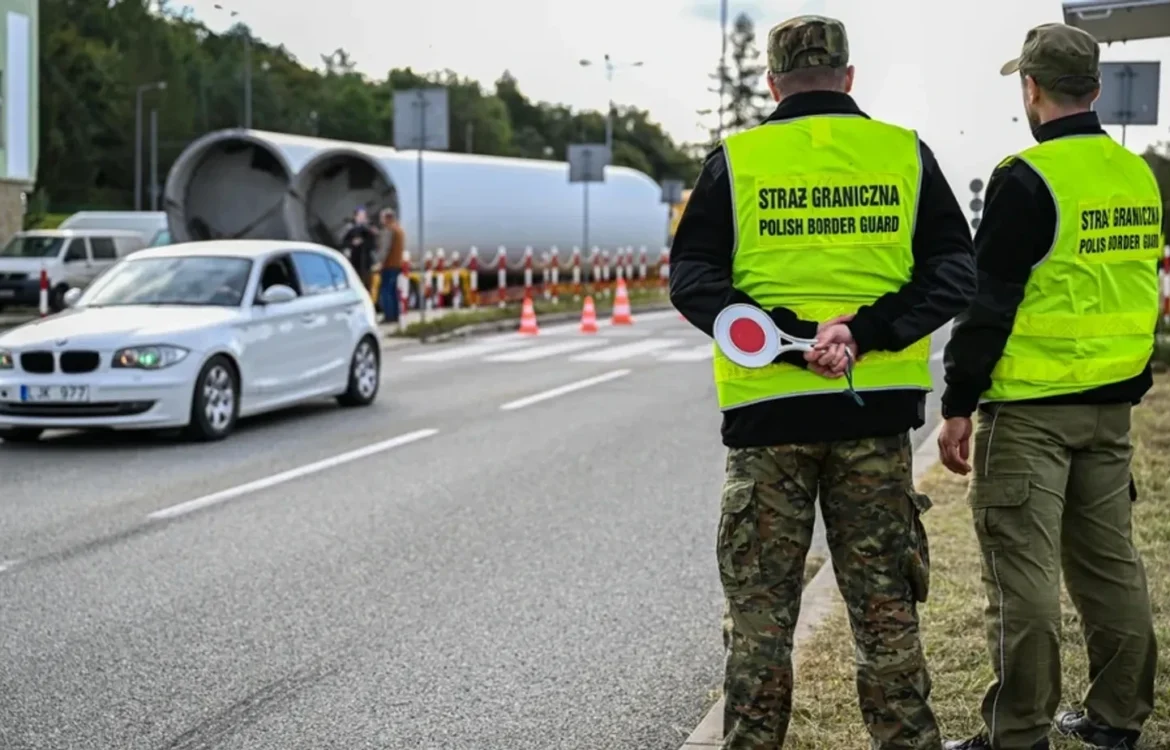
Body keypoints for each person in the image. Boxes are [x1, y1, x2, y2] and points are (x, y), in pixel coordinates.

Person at [669, 14, 976, 750]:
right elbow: (954, 274)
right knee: (886, 617)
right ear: (848, 78)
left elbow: (692, 280)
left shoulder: (734, 162)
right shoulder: (904, 155)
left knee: (760, 626)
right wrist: (862, 331)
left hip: (768, 423)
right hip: (870, 419)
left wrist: (783, 340)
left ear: (772, 84)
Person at [937, 23, 1161, 750]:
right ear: (1094, 89)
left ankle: (1019, 731)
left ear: (1030, 89)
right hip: (1111, 409)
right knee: (1110, 566)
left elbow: (989, 301)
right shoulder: (1137, 176)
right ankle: (1118, 717)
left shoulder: (1026, 177)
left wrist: (958, 403)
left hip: (1030, 411)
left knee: (1022, 577)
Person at [378, 208, 406, 326]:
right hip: (397, 265)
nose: (381, 220)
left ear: (387, 218)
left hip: (389, 265)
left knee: (386, 291)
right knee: (393, 291)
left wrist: (379, 262)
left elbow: (385, 249)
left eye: (382, 218)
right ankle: (395, 315)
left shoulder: (389, 230)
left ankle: (389, 317)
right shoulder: (400, 230)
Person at [339, 207, 378, 289]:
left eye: (363, 216)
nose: (362, 218)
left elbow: (374, 245)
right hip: (354, 260)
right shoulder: (350, 229)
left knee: (368, 284)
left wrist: (364, 241)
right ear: (355, 217)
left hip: (367, 261)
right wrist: (352, 243)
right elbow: (343, 243)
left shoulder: (370, 229)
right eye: (360, 216)